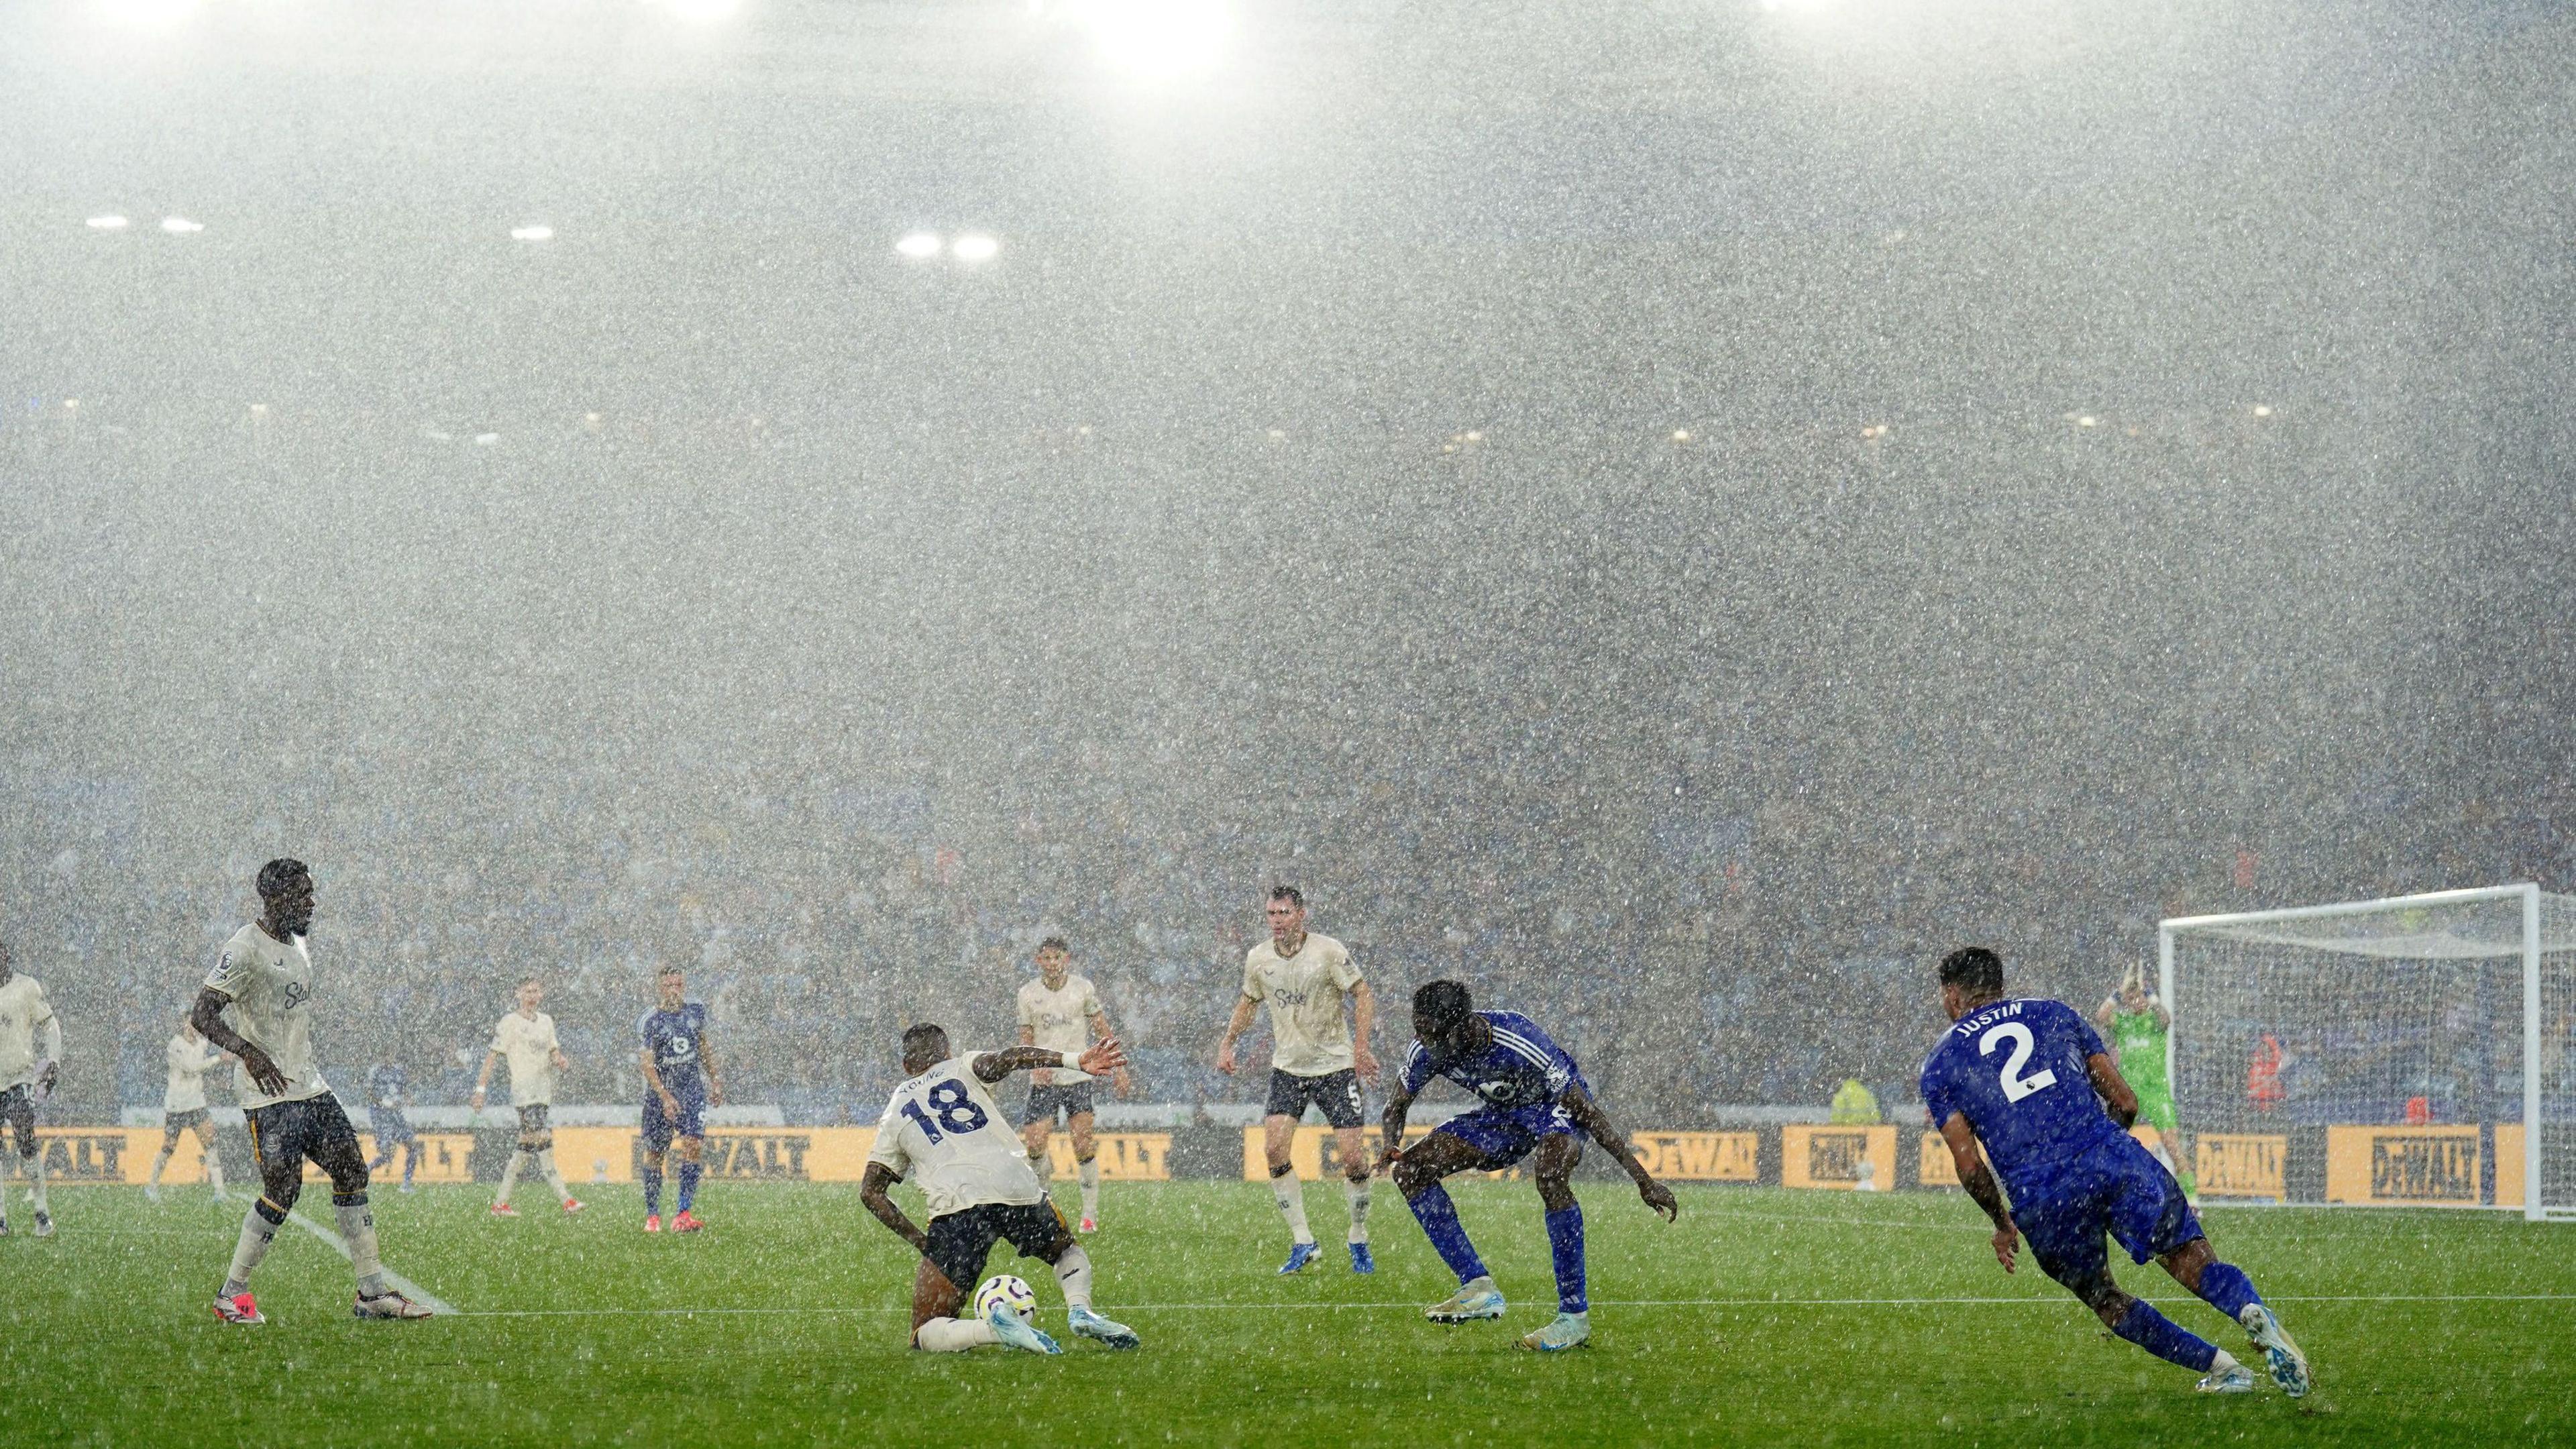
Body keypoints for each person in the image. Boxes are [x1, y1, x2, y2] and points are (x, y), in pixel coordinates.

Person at [1924, 946, 2308, 1397]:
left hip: (2041, 1194)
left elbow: (1970, 1167)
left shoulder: (1941, 1063)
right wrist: (2102, 1151)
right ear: (1999, 985)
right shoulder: (2054, 1013)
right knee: (2190, 1259)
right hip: (2107, 1154)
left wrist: (2002, 1223)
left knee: (2106, 1298)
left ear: (1953, 996)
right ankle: (2247, 1309)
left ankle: (2223, 1368)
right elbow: (2125, 1101)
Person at [1375, 980, 1678, 1351]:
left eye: (1433, 1034)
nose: (1425, 1041)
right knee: (1409, 1170)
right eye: (1419, 1030)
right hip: (1504, 1116)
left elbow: (1590, 1114)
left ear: (1461, 1025)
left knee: (1550, 1177)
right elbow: (1395, 1106)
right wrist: (1391, 1142)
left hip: (1555, 1109)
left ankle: (1574, 1318)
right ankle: (1477, 1287)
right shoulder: (1427, 1047)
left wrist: (1644, 1181)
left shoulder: (1518, 1039)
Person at [193, 858, 432, 1323]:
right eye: (303, 895)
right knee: (283, 1188)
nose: (312, 902)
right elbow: (202, 1014)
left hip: (311, 1087)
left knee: (352, 1172)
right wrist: (248, 1052)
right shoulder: (243, 948)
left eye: (311, 893)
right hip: (269, 1093)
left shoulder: (299, 944)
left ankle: (371, 1294)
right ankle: (231, 1294)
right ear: (275, 898)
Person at [858, 1022, 1140, 1354]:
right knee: (1066, 1251)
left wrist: (923, 1241)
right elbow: (1011, 1057)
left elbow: (871, 1192)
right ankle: (1080, 1310)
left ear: (907, 1066)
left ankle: (994, 1328)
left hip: (956, 1206)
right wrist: (1074, 1060)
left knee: (924, 1331)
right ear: (947, 1051)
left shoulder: (895, 1110)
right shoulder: (964, 1065)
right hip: (1014, 1185)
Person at [1214, 885, 1380, 1274]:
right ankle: (1304, 1241)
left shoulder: (1327, 951)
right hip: (1288, 1068)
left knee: (1355, 1160)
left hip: (1336, 1067)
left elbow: (1364, 993)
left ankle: (1358, 1235)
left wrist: (1360, 1048)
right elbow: (1247, 1002)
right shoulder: (1258, 958)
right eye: (1271, 914)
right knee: (1274, 1152)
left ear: (1301, 915)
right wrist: (1228, 1042)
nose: (1276, 921)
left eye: (1284, 913)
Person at [1014, 938, 1132, 1233]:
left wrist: (1118, 1068)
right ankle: (1047, 1208)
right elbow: (1026, 1036)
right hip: (1046, 1077)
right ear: (1038, 961)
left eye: (1058, 958)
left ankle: (1089, 1215)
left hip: (1078, 1076)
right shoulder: (1028, 994)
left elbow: (1102, 1029)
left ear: (1067, 960)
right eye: (1047, 958)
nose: (1053, 963)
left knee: (1083, 1144)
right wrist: (1034, 1064)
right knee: (1036, 1144)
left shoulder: (1083, 989)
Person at [474, 978, 582, 1217]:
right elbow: (492, 1057)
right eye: (527, 991)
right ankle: (566, 1200)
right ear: (518, 993)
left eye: (536, 991)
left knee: (525, 1145)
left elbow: (553, 1050)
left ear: (541, 994)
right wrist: (481, 1090)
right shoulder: (510, 1023)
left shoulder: (546, 1022)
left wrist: (560, 1060)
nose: (532, 995)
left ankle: (500, 1204)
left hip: (543, 1091)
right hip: (524, 1091)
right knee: (542, 1138)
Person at [2093, 961, 2194, 1199]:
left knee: (2173, 1146)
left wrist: (2152, 995)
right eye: (2132, 998)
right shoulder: (2124, 1023)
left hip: (2157, 1092)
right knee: (2113, 1142)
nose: (2136, 1001)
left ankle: (2193, 1200)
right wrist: (2119, 992)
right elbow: (2101, 1015)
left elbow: (2166, 1018)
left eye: (2140, 997)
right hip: (2130, 1093)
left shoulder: (2154, 1023)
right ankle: (2107, 1194)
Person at [638, 967, 722, 1233]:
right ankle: (653, 1216)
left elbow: (704, 1046)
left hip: (691, 1090)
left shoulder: (695, 1010)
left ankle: (682, 1214)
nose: (674, 989)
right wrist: (664, 1096)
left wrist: (715, 1079)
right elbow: (647, 1065)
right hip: (660, 1095)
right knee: (655, 1153)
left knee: (693, 1144)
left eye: (678, 984)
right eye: (669, 985)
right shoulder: (650, 1019)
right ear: (660, 988)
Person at [0, 939, 64, 1238]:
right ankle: (1, 1219)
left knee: (26, 1137)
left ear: (7, 957)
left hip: (18, 1079)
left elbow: (50, 1024)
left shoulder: (25, 988)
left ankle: (42, 1212)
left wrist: (53, 1060)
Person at [149, 1018, 230, 1203]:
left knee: (210, 1144)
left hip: (196, 1103)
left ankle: (220, 1191)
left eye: (195, 1023)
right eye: (189, 1023)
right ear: (184, 1025)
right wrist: (219, 1058)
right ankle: (152, 1187)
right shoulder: (175, 1045)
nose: (193, 1027)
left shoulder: (201, 1044)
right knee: (168, 1147)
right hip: (177, 1105)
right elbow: (191, 1068)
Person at [365, 1061, 421, 1194]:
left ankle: (406, 1184)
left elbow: (404, 1089)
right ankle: (365, 1170)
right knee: (388, 1154)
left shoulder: (399, 1071)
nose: (389, 1058)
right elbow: (368, 1092)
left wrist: (409, 1098)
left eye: (392, 1054)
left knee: (413, 1146)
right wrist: (383, 1102)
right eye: (386, 1055)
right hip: (382, 1118)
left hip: (397, 1116)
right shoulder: (375, 1071)